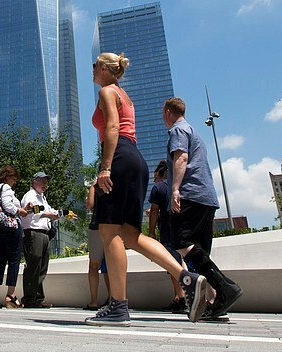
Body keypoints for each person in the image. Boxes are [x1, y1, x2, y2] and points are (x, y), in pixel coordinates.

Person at [85, 53, 212, 327]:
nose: (92, 69)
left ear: (106, 69)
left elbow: (112, 127)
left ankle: (118, 306)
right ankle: (185, 277)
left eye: (95, 65)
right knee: (130, 235)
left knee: (109, 232)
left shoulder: (107, 91)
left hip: (118, 158)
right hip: (135, 160)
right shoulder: (124, 94)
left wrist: (105, 168)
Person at [164, 97, 243, 319]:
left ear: (168, 112)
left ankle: (225, 287)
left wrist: (176, 190)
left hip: (190, 194)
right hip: (207, 197)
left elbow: (181, 158)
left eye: (164, 114)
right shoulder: (194, 131)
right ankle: (215, 300)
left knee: (180, 242)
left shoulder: (178, 130)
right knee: (199, 250)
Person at [148, 160, 186, 313]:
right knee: (181, 261)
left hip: (167, 230)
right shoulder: (175, 187)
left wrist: (151, 232)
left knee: (172, 264)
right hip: (183, 228)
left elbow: (154, 210)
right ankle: (177, 297)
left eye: (155, 177)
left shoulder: (158, 188)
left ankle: (181, 297)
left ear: (162, 174)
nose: (154, 181)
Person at [0, 165, 27, 309]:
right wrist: (19, 211)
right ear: (7, 177)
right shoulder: (6, 188)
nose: (14, 181)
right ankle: (11, 295)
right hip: (11, 227)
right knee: (14, 260)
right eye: (14, 178)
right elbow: (7, 205)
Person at [20, 172, 60, 309]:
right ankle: (29, 298)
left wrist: (63, 213)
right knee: (34, 263)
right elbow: (32, 211)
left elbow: (49, 210)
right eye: (42, 181)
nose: (45, 185)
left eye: (46, 182)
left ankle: (37, 298)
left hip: (44, 233)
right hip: (33, 232)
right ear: (34, 181)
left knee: (42, 266)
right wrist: (47, 214)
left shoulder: (42, 198)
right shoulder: (29, 196)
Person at [84, 182, 111, 310]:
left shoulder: (97, 186)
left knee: (94, 265)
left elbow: (89, 205)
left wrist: (92, 187)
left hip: (97, 225)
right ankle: (114, 299)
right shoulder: (119, 183)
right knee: (112, 264)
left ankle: (94, 301)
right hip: (114, 226)